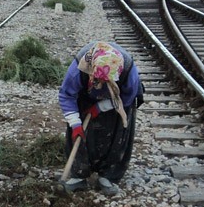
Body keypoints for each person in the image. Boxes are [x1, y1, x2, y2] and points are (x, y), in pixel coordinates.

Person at [58, 41, 144, 195]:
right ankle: (79, 174)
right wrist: (75, 123)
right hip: (86, 94)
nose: (102, 85)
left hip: (118, 97)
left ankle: (109, 175)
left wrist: (101, 107)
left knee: (118, 132)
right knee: (78, 131)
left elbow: (127, 98)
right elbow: (66, 95)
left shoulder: (128, 71)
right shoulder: (80, 68)